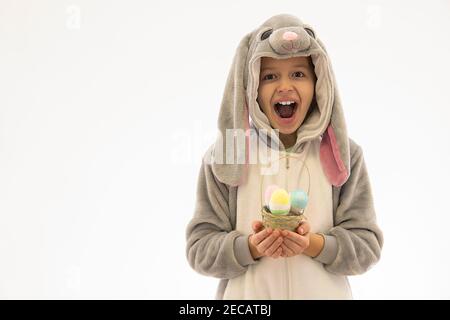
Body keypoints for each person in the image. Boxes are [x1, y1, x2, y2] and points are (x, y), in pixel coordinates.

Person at [185, 14, 383, 300]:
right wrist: (251, 247)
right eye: (270, 76)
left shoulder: (343, 154)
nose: (285, 86)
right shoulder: (228, 155)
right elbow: (199, 248)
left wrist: (312, 244)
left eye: (299, 74)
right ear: (251, 86)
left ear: (319, 84)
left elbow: (366, 247)